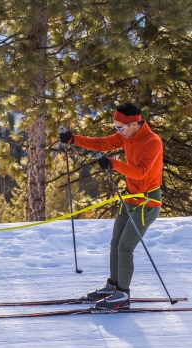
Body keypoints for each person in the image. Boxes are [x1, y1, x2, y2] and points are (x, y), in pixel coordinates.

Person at [60, 102, 163, 310]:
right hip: (130, 199)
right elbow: (101, 143)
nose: (117, 132)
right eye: (115, 127)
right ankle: (113, 286)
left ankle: (122, 295)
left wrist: (113, 164)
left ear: (134, 123)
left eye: (120, 128)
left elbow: (141, 171)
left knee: (126, 247)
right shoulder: (127, 135)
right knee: (115, 244)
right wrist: (73, 140)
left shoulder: (152, 142)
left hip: (147, 202)